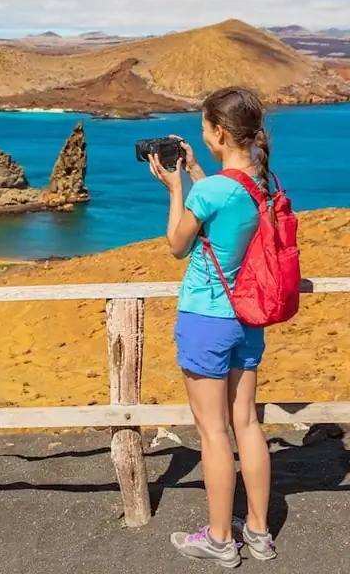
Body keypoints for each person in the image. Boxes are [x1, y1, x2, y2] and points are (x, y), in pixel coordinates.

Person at [147, 86, 278, 568]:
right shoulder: (262, 181)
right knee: (246, 421)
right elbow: (230, 214)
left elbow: (178, 244)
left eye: (204, 129)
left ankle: (221, 539)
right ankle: (259, 533)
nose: (202, 137)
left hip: (207, 317)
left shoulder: (207, 191)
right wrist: (200, 174)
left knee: (213, 431)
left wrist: (177, 188)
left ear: (219, 132)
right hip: (250, 317)